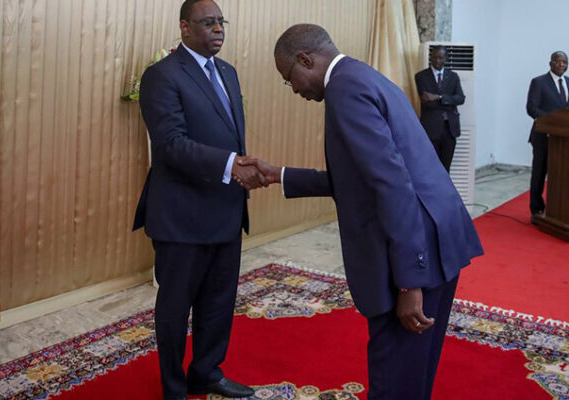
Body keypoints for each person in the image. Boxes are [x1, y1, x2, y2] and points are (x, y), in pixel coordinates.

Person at [238, 24, 483, 400]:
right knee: (414, 372)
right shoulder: (362, 76)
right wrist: (279, 175)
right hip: (437, 235)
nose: (295, 89)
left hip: (416, 248)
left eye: (289, 78)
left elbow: (392, 184)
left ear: (306, 60)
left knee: (396, 377)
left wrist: (409, 281)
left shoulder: (345, 91)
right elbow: (360, 178)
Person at [132, 1, 262, 398]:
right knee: (176, 308)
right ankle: (174, 387)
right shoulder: (162, 75)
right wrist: (232, 164)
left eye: (222, 22)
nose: (219, 29)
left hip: (226, 209)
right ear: (185, 28)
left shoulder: (228, 72)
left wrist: (237, 169)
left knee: (219, 302)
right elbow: (170, 144)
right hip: (182, 215)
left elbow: (227, 134)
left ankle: (207, 373)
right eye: (209, 23)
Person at [526, 51, 568, 222]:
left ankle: (558, 210)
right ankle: (536, 209)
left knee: (561, 175)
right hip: (543, 137)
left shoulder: (568, 82)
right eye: (558, 61)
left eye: (564, 62)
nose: (561, 65)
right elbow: (532, 108)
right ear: (551, 63)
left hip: (563, 140)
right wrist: (552, 122)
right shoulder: (539, 82)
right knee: (539, 173)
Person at [414, 46, 465, 172]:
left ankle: (445, 186)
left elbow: (461, 98)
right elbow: (427, 103)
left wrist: (438, 97)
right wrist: (449, 101)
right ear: (431, 57)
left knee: (446, 168)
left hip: (450, 129)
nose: (437, 61)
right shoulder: (421, 76)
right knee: (431, 168)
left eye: (441, 58)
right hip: (431, 129)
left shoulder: (453, 76)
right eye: (435, 57)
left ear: (445, 59)